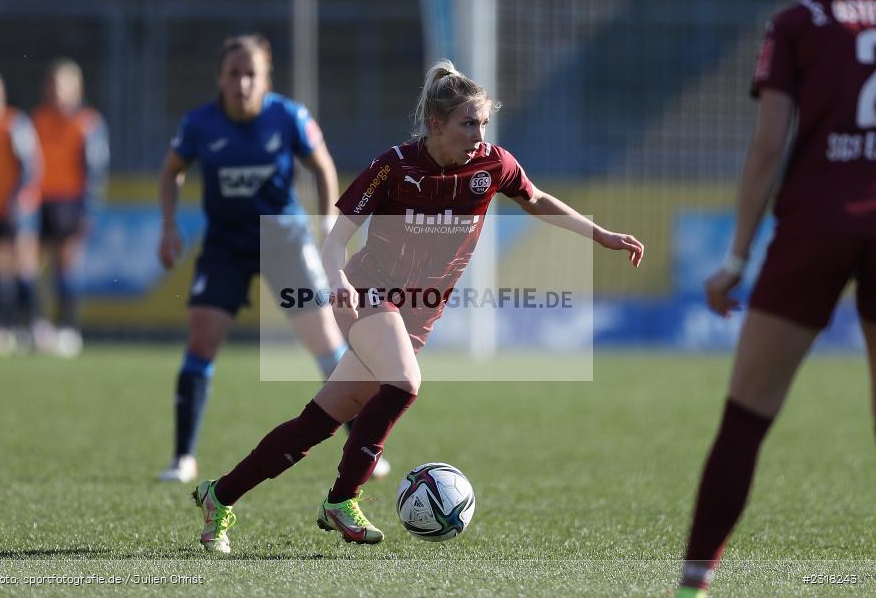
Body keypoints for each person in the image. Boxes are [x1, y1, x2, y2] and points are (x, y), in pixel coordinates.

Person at [187, 59, 644, 553]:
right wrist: (336, 276)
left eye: (483, 123)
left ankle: (221, 494)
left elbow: (537, 200)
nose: (479, 134)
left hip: (417, 313)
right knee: (405, 382)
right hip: (366, 291)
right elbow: (335, 236)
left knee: (318, 422)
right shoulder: (395, 166)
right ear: (436, 124)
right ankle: (342, 500)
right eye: (468, 123)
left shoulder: (493, 165)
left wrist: (600, 234)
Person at [675, 0, 876, 596]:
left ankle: (692, 584)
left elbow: (767, 147)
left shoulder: (798, 21)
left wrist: (736, 258)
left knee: (746, 415)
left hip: (815, 223)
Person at [156, 34, 390, 483]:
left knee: (325, 344)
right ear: (220, 78)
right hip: (225, 245)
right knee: (201, 344)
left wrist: (328, 226)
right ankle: (183, 457)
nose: (242, 83)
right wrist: (168, 226)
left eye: (251, 75)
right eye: (234, 74)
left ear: (265, 80)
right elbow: (171, 171)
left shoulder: (288, 116)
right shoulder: (200, 125)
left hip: (283, 241)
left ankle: (364, 447)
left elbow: (322, 165)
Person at [32, 58, 109, 356]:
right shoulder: (38, 119)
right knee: (36, 266)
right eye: (50, 85)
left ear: (76, 88)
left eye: (60, 85)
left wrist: (89, 208)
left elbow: (96, 170)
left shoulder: (87, 122)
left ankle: (68, 329)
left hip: (71, 201)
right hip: (40, 201)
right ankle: (39, 326)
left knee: (68, 265)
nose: (54, 91)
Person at [0, 67, 42, 355]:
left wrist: (16, 199)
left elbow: (31, 167)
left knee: (23, 266)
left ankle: (34, 327)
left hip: (17, 209)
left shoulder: (14, 124)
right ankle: (1, 328)